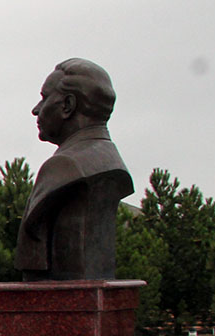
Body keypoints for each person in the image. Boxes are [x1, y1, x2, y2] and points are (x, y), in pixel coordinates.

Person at [15, 58, 134, 281]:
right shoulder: (109, 158)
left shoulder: (66, 165)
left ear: (68, 105)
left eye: (44, 98)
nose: (36, 109)